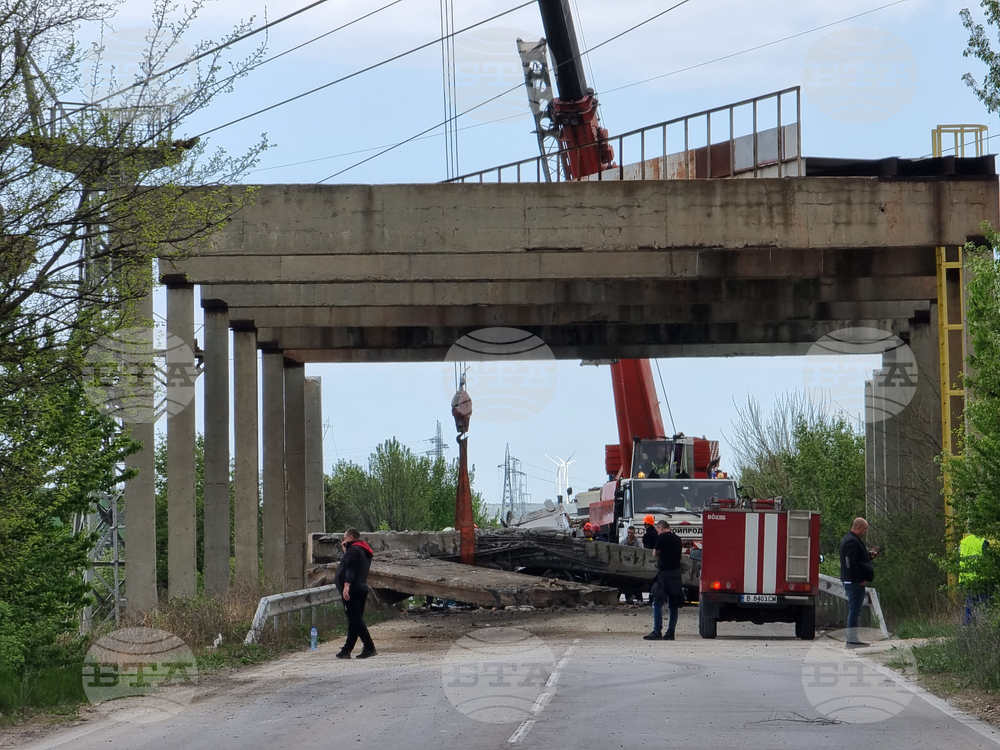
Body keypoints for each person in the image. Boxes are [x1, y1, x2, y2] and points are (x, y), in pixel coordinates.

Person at [335, 529, 377, 659]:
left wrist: (346, 586)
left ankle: (369, 647)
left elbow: (351, 568)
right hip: (361, 588)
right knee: (354, 620)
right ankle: (347, 649)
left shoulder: (353, 550)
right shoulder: (363, 550)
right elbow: (354, 564)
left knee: (355, 620)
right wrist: (346, 552)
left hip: (352, 589)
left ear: (351, 537)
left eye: (345, 538)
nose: (343, 541)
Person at [839, 517, 877, 649]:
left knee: (856, 609)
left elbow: (857, 558)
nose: (866, 531)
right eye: (865, 529)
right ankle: (851, 640)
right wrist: (860, 579)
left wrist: (868, 556)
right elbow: (851, 563)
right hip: (853, 581)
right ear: (858, 527)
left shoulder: (853, 540)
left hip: (852, 580)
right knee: (854, 610)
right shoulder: (851, 542)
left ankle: (853, 638)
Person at [644, 520, 682, 641]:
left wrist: (660, 552)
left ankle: (657, 631)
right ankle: (670, 632)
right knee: (673, 604)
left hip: (663, 573)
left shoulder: (661, 538)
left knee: (657, 602)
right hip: (675, 573)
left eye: (657, 529)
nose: (657, 531)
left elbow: (654, 554)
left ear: (660, 527)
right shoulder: (677, 539)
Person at [960, 533, 992, 625]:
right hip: (982, 578)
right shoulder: (982, 542)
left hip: (967, 578)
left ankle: (968, 625)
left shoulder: (963, 543)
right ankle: (985, 624)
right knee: (985, 602)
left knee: (970, 602)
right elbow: (989, 561)